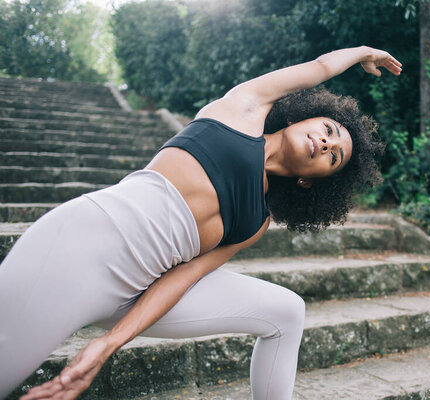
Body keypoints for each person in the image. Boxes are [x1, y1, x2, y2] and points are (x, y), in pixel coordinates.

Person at [0, 45, 402, 400]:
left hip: (132, 295)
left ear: (309, 180)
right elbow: (318, 66)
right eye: (329, 130)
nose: (328, 143)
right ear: (305, 118)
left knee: (287, 312)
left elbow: (185, 275)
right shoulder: (243, 108)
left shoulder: (256, 222)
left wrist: (108, 344)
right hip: (84, 247)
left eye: (334, 156)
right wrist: (361, 52)